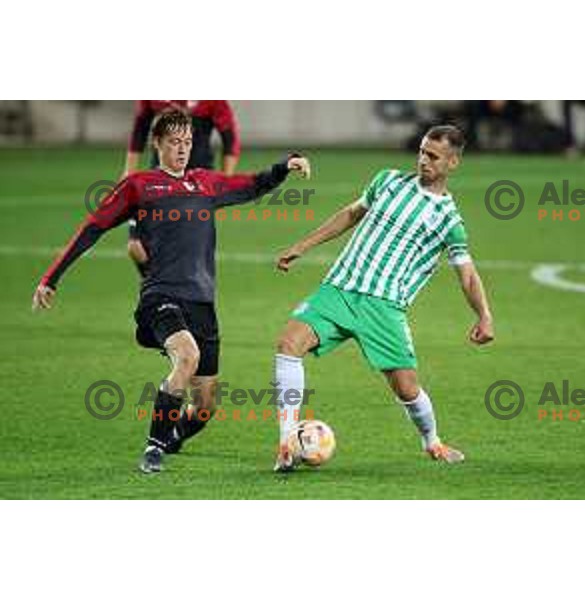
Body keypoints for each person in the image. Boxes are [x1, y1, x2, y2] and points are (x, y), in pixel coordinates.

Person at [32, 109, 310, 474]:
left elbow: (253, 184)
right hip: (160, 297)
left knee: (206, 407)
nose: (182, 149)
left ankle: (173, 435)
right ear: (158, 144)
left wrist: (285, 164)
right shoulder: (139, 185)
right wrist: (52, 277)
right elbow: (92, 228)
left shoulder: (205, 183)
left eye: (188, 142)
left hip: (202, 304)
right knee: (186, 356)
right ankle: (153, 448)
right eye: (174, 142)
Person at [272, 125, 494, 472]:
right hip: (340, 289)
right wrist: (301, 246)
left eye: (433, 156)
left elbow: (466, 273)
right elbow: (349, 214)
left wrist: (484, 315)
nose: (423, 160)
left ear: (453, 162)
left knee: (407, 389)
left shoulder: (449, 220)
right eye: (422, 151)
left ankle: (432, 442)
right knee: (288, 344)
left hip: (384, 308)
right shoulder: (388, 180)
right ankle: (287, 443)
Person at [124, 101, 242, 274]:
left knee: (184, 250)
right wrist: (129, 171)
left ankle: (168, 290)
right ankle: (156, 284)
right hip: (158, 179)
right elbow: (140, 128)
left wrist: (225, 182)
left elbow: (230, 140)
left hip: (196, 185)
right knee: (136, 246)